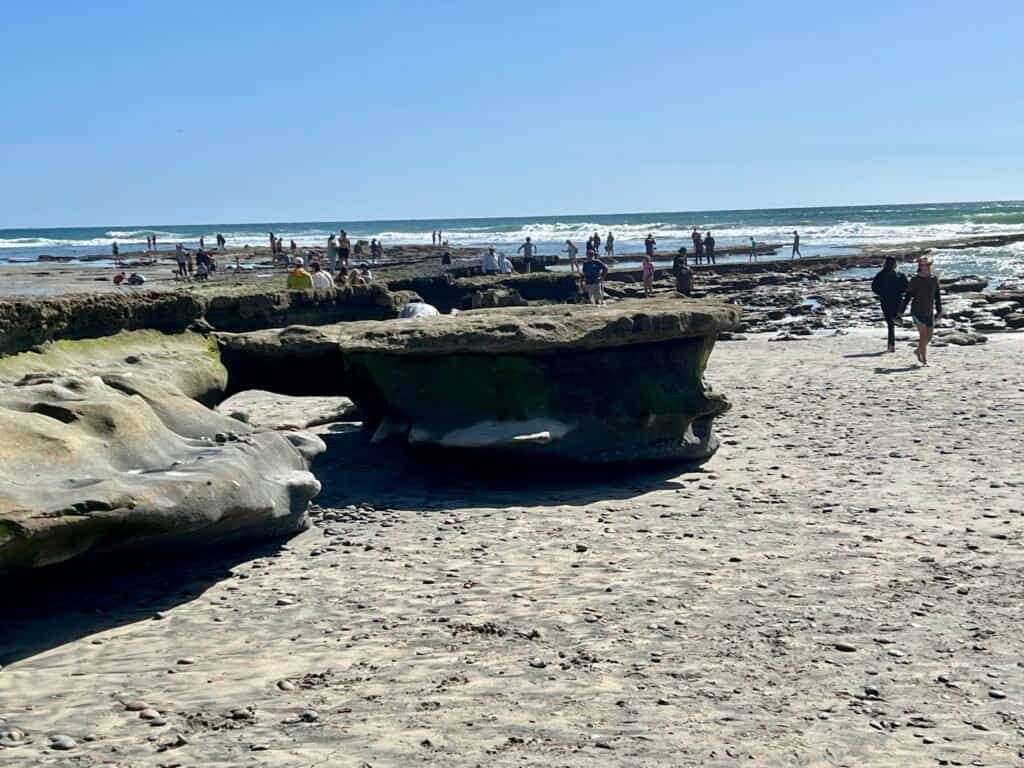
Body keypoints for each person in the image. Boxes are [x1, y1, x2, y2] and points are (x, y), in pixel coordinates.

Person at [901, 255, 942, 364]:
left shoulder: (934, 279)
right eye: (925, 265)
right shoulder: (915, 279)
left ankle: (918, 350)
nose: (927, 267)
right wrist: (901, 311)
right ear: (920, 266)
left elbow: (937, 296)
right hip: (917, 310)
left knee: (929, 335)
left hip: (929, 310)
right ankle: (924, 359)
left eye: (929, 264)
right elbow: (908, 296)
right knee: (923, 335)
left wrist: (939, 310)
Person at [871, 256, 909, 353]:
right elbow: (906, 287)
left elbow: (874, 287)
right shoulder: (900, 274)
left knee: (890, 323)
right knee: (894, 318)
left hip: (885, 300)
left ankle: (891, 345)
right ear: (895, 264)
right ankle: (898, 320)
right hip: (897, 300)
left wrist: (881, 293)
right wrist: (901, 292)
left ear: (885, 264)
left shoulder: (880, 275)